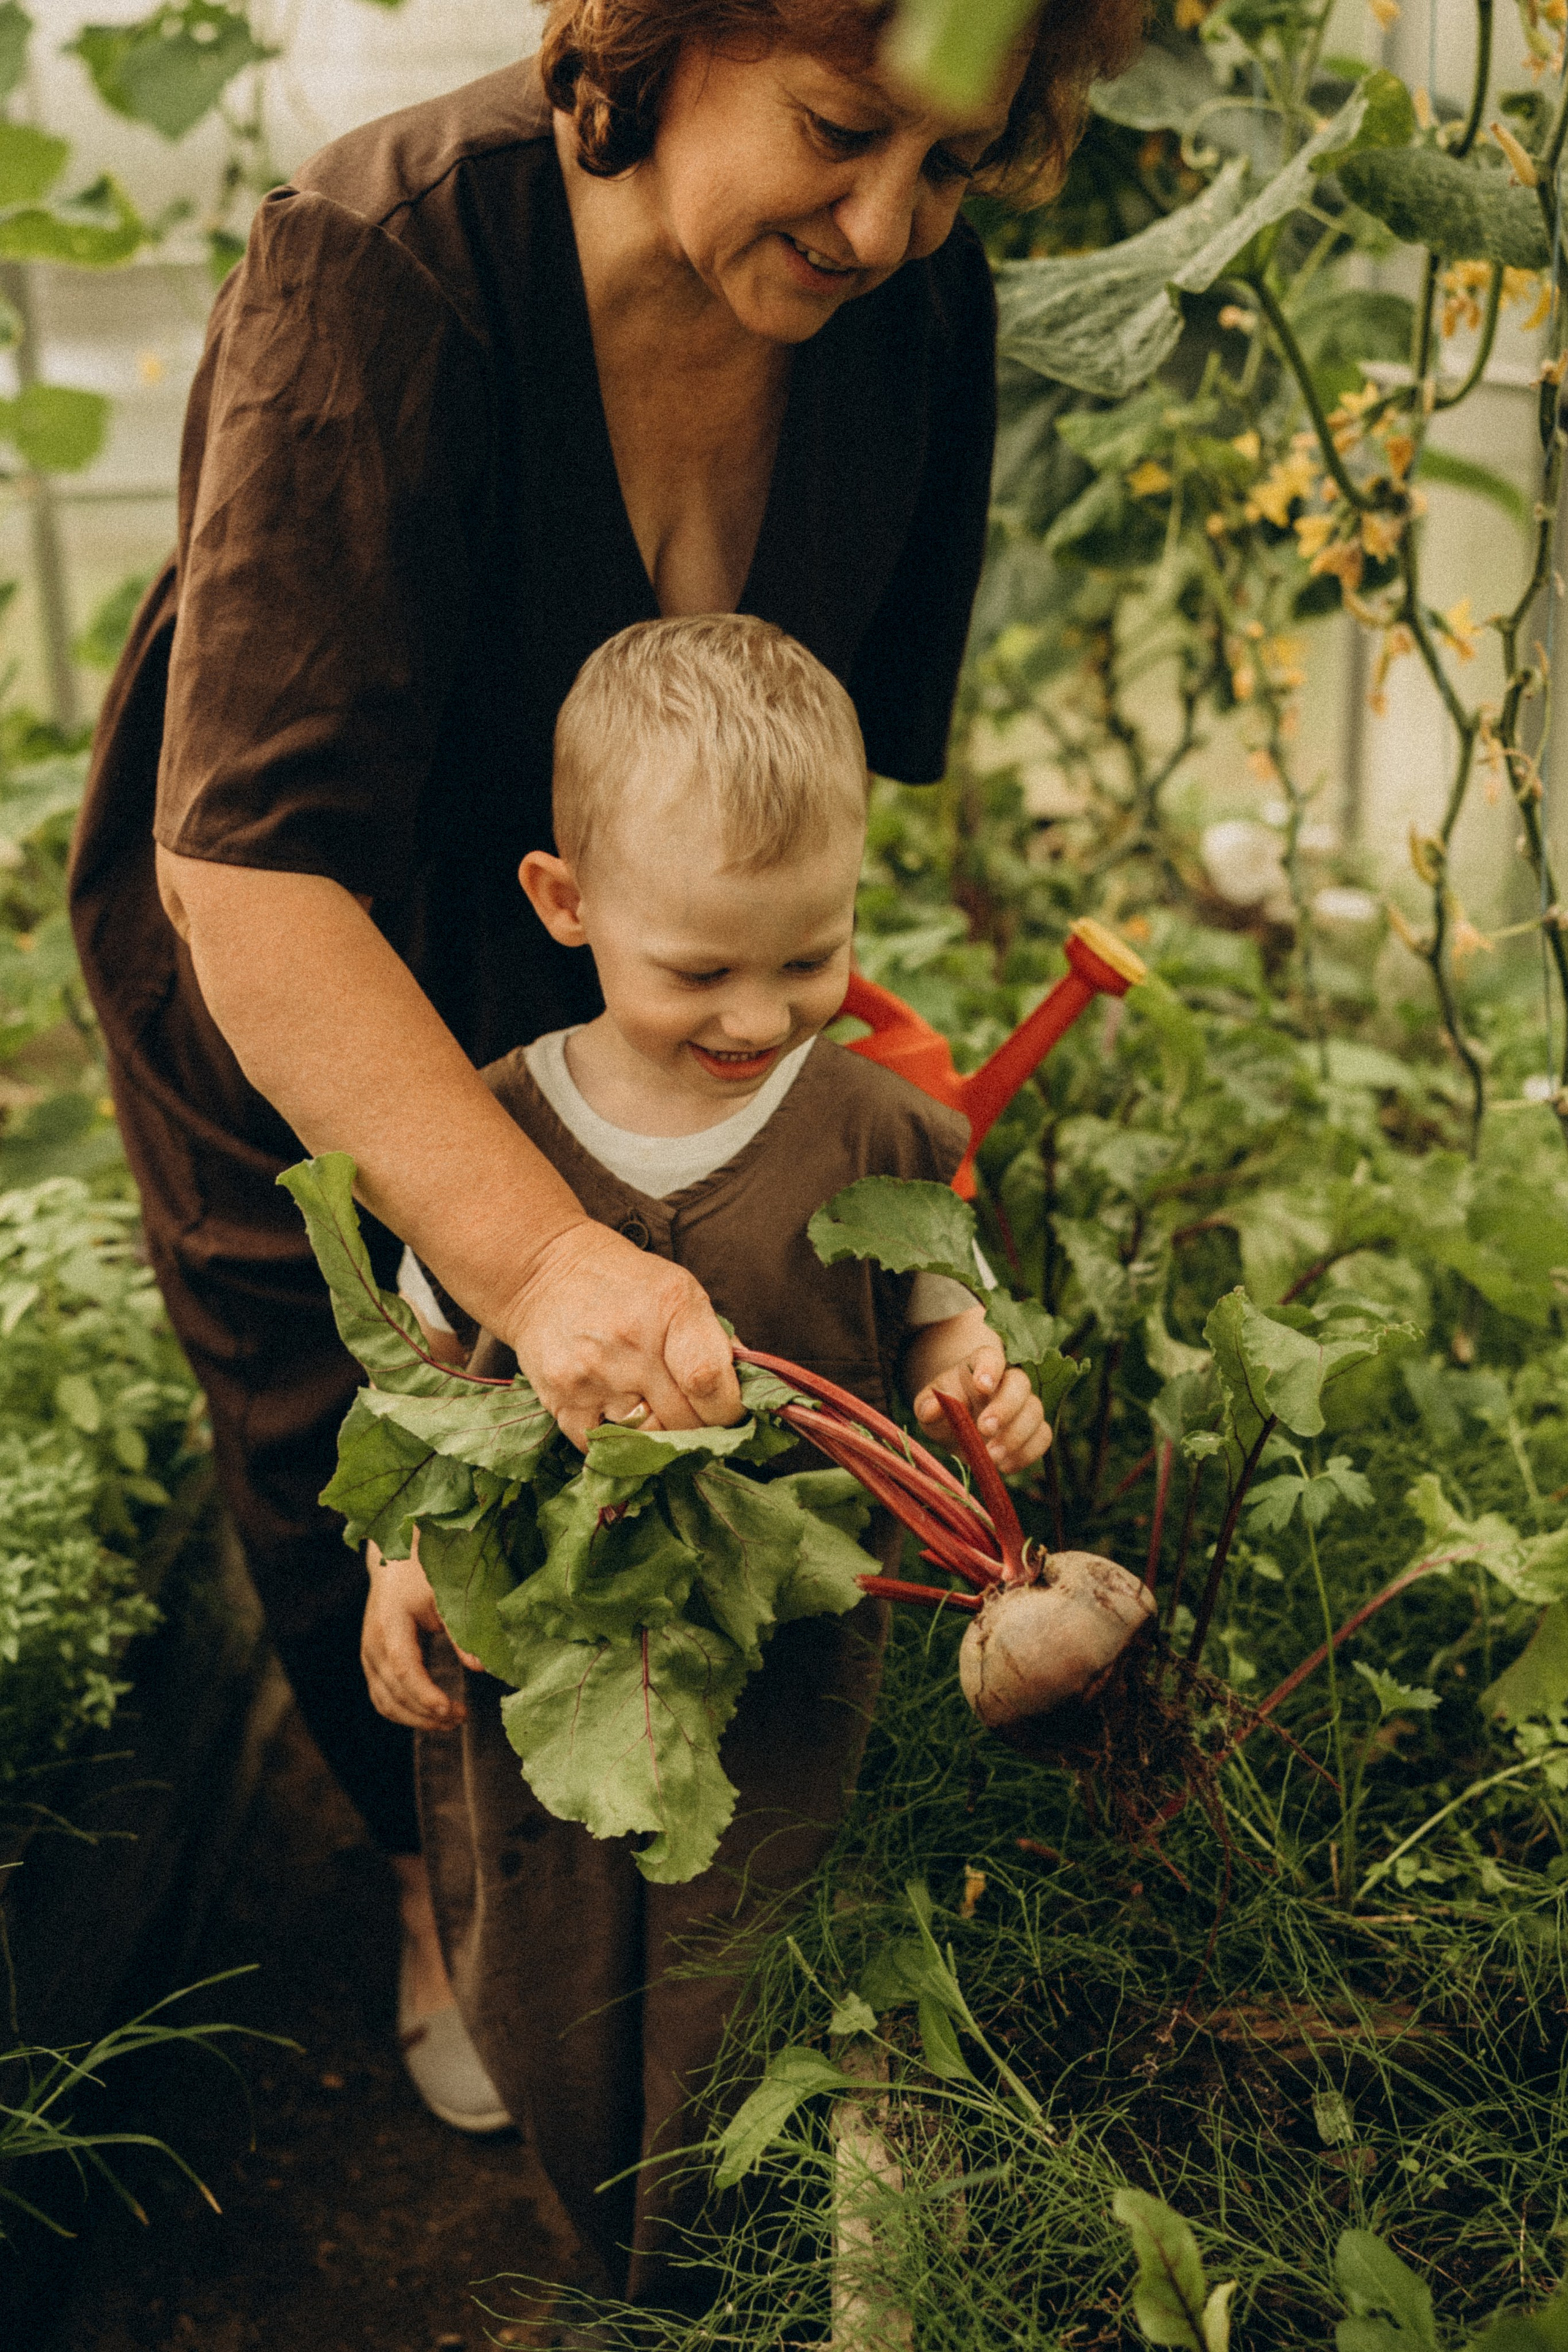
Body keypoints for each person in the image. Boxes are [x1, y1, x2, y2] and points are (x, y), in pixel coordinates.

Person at [67, 0, 1141, 2125]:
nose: (886, 226)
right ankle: (431, 1881)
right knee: (368, 1429)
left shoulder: (916, 320)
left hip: (645, 970)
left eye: (948, 166)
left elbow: (815, 768)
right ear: (665, 32)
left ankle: (667, 1895)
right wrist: (543, 1253)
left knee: (663, 1446)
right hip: (325, 961)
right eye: (837, 130)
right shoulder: (383, 266)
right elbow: (256, 880)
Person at [374, 614, 1052, 2313]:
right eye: (699, 973)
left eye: (812, 956)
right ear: (565, 903)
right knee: (543, 1965)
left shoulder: (880, 1135)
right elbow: (418, 1387)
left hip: (793, 1671)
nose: (761, 1013)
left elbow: (943, 1327)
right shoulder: (485, 1140)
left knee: (753, 1970)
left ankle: (719, 2279)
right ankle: (602, 2247)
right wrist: (396, 1561)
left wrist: (981, 1389)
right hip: (549, 1663)